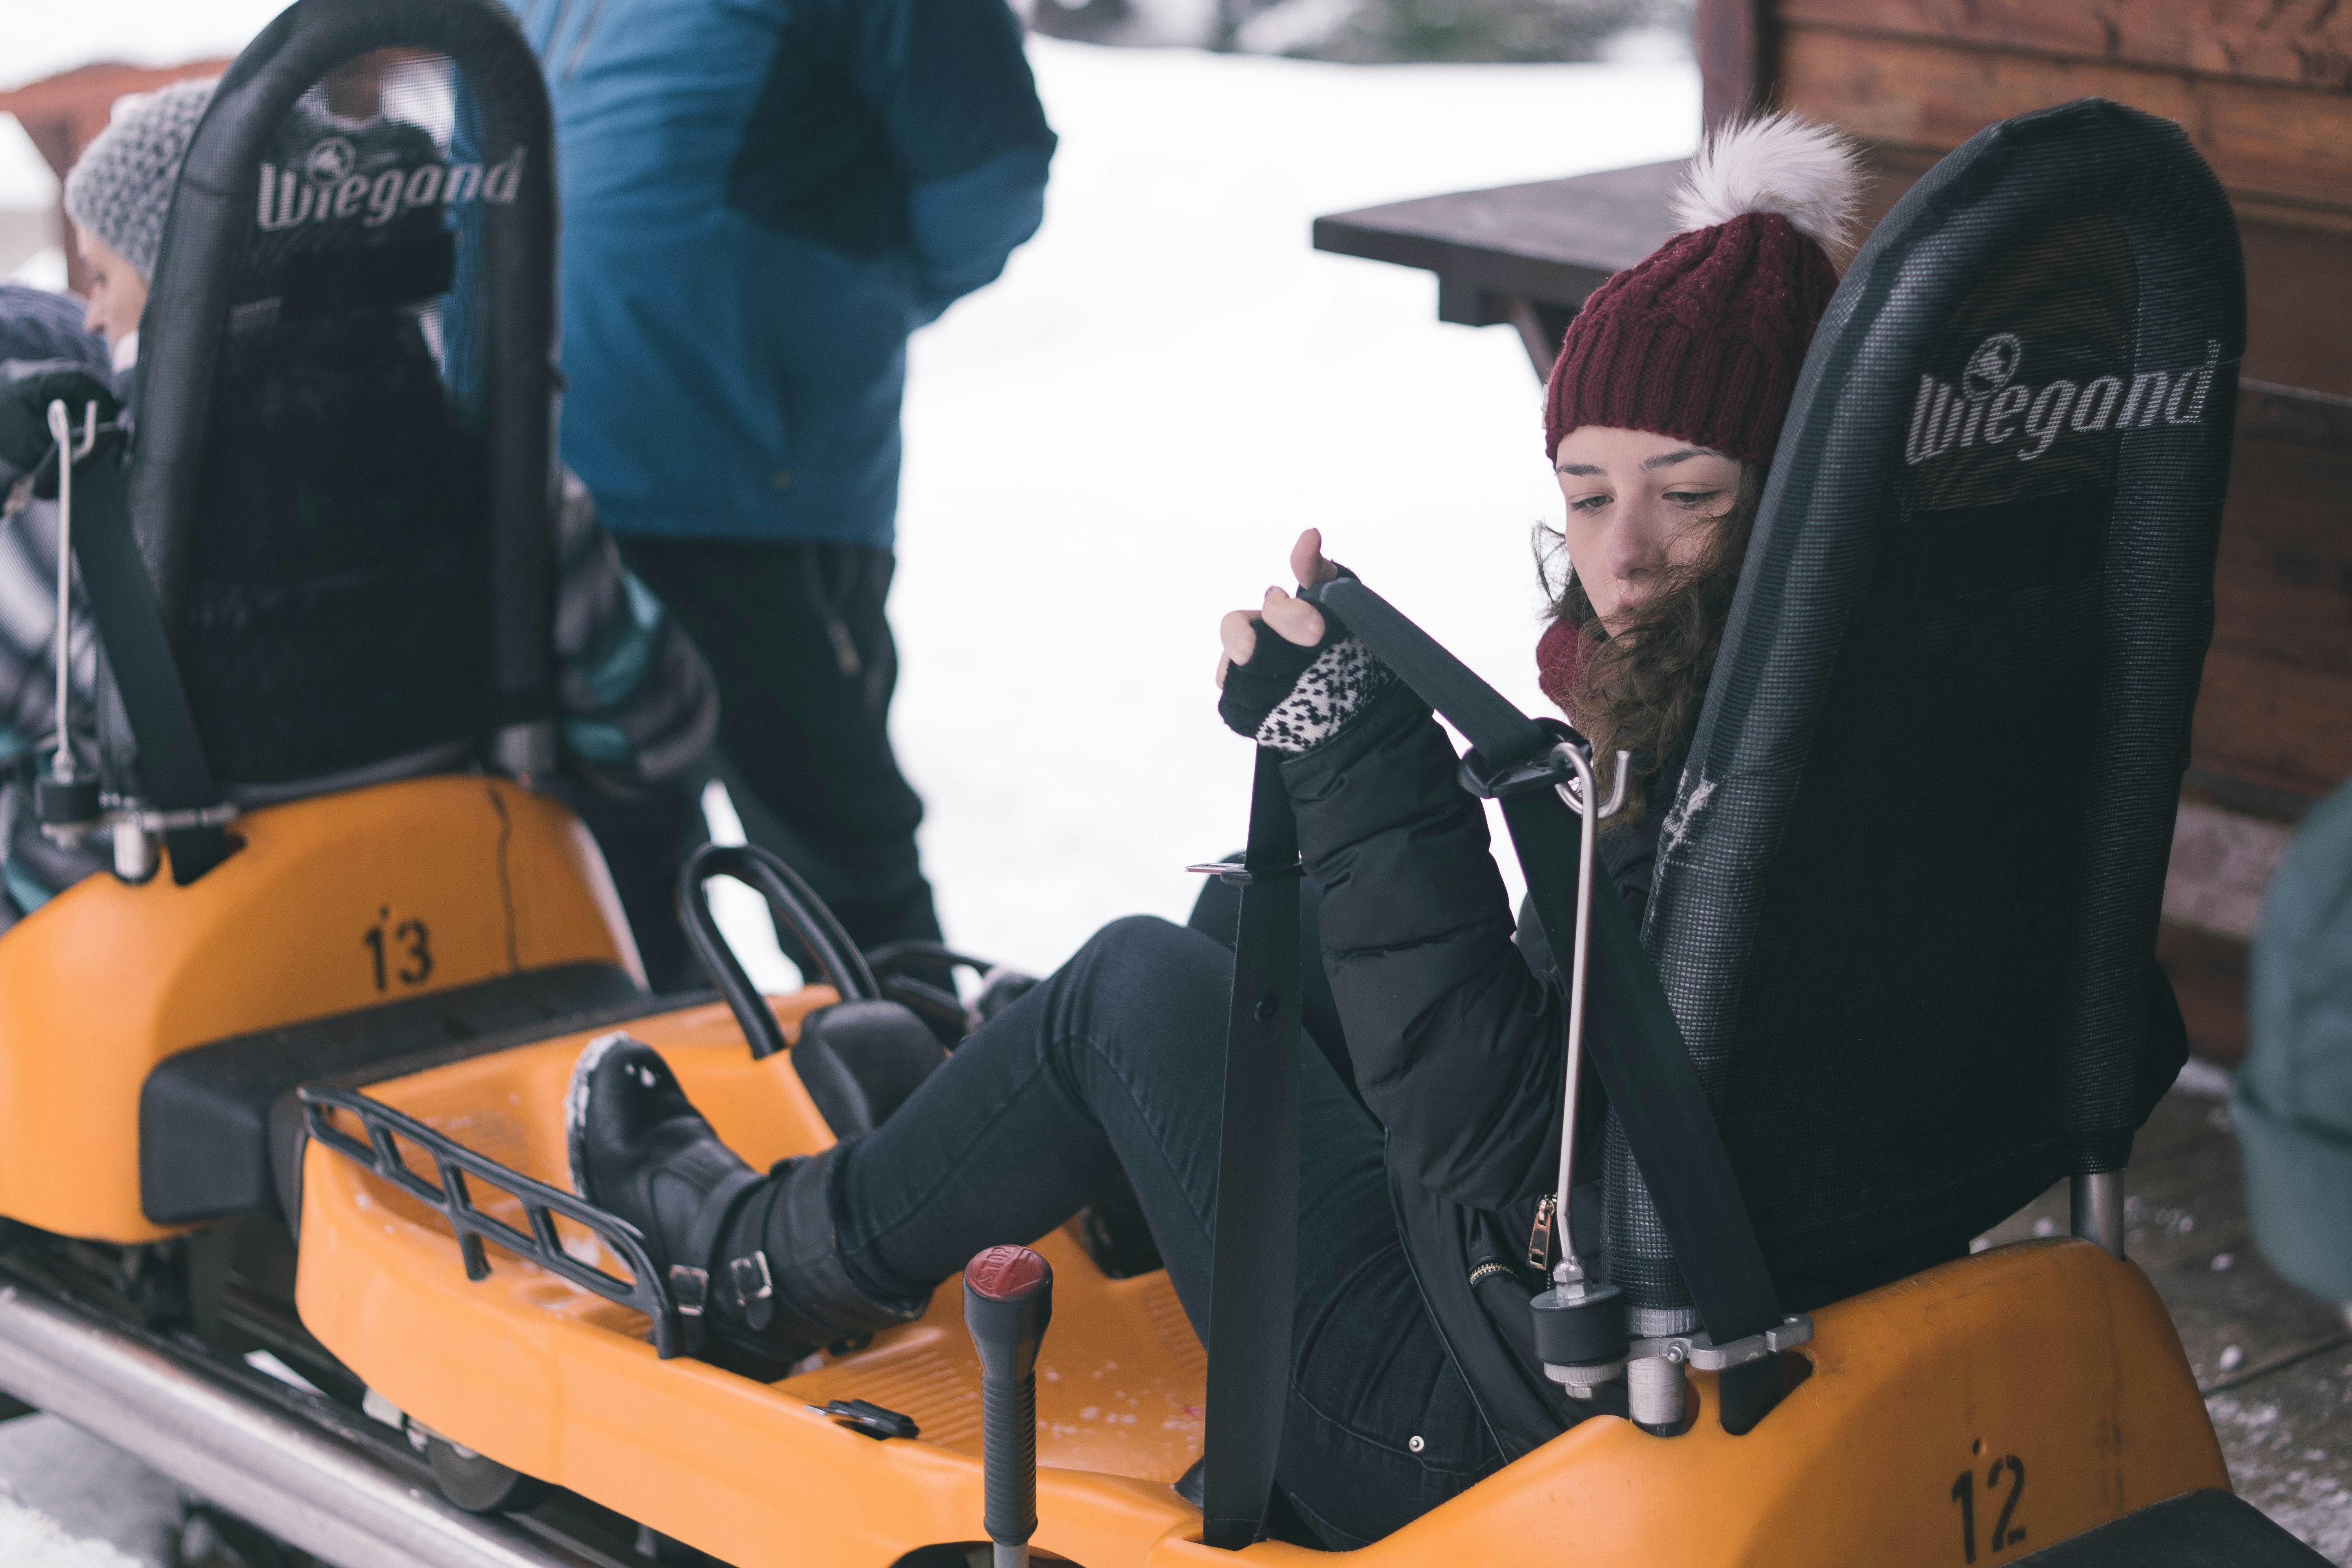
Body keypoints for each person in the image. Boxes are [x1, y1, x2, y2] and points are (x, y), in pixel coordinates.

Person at [563, 116, 1865, 1548]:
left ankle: (756, 1270)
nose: (1622, 554)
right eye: (1585, 491)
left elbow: (1496, 1140)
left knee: (1128, 994)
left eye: (1688, 495)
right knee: (1255, 926)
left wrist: (1352, 750)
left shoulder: (1710, 767)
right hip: (1644, 1304)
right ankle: (1091, 1166)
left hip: (1471, 1408)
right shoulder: (1840, 692)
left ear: (1796, 495)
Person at [0, 83, 718, 935]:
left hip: (162, 990)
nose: (90, 313)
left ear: (186, 282)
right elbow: (661, 727)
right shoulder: (499, 478)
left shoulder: (73, 524)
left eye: (107, 276)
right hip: (476, 935)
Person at [504, 0, 1058, 978]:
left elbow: (993, 175)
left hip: (752, 494)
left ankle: (932, 1117)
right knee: (605, 874)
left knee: (838, 870)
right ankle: (672, 1121)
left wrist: (829, 304)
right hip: (558, 497)